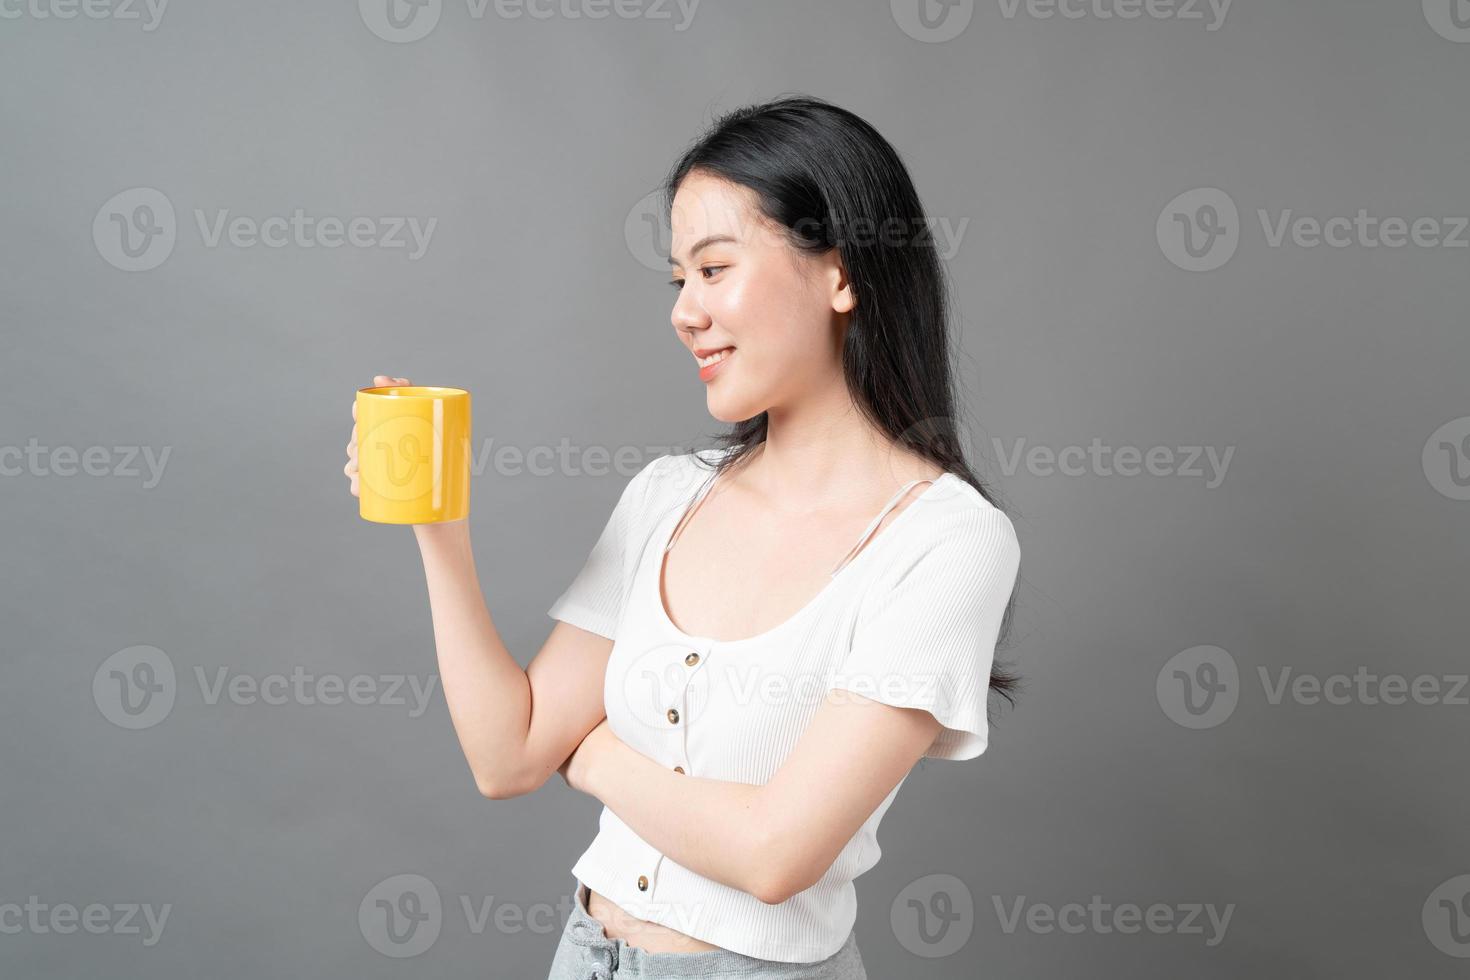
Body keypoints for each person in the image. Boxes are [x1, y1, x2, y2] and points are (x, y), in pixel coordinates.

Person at [343, 93, 1022, 979]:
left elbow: (775, 855)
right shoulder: (668, 496)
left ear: (842, 274)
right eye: (678, 280)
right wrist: (440, 529)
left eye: (714, 268)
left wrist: (591, 758)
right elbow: (508, 754)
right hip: (585, 955)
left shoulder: (949, 542)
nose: (684, 312)